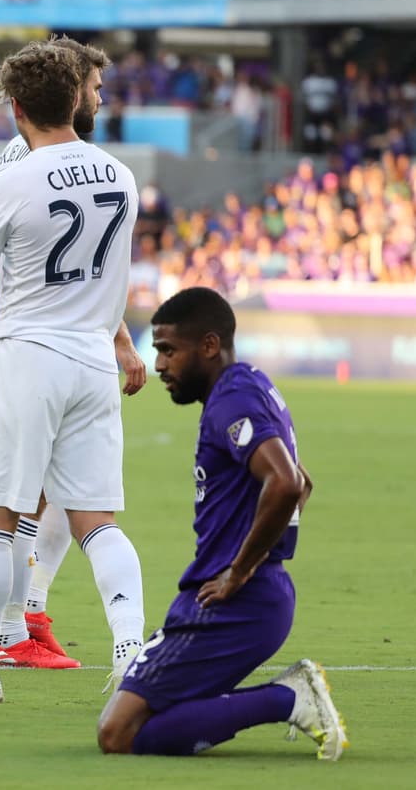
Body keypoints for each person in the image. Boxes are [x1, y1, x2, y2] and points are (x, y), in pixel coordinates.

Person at [0, 41, 144, 703]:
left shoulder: (13, 178)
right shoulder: (120, 174)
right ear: (76, 98)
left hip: (26, 357)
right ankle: (132, 654)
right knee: (98, 520)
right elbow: (113, 277)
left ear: (15, 107)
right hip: (93, 361)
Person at [97, 287, 347, 760]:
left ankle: (288, 698)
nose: (159, 364)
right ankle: (285, 697)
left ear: (209, 346)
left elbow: (288, 484)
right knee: (136, 725)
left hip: (231, 603)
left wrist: (241, 569)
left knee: (117, 733)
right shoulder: (251, 385)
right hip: (250, 596)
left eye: (168, 350)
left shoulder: (233, 398)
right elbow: (301, 482)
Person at [0, 36, 147, 670]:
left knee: (54, 495)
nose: (101, 100)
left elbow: (87, 270)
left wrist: (121, 339)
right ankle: (11, 629)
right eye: (96, 89)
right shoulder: (31, 160)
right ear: (71, 90)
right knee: (33, 499)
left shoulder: (60, 160)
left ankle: (27, 614)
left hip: (58, 341)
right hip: (37, 342)